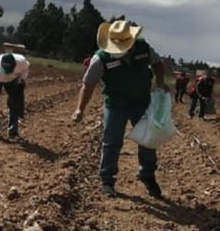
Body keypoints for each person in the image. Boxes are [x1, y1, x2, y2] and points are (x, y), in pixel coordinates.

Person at [71, 20, 168, 198]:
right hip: (116, 106)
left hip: (141, 102)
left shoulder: (143, 48)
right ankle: (107, 180)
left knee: (147, 141)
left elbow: (157, 64)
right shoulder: (100, 58)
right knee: (112, 143)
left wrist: (160, 83)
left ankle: (147, 175)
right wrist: (79, 109)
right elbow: (88, 85)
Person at [0, 51, 29, 140]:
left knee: (15, 102)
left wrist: (22, 79)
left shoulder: (21, 61)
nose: (7, 73)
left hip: (13, 79)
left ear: (15, 65)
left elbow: (26, 69)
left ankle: (13, 132)